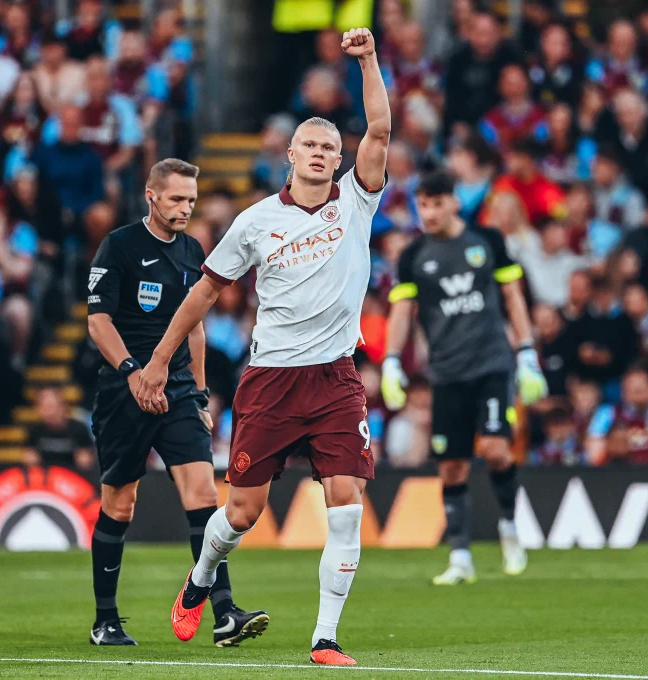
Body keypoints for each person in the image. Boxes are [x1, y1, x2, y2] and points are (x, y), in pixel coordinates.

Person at [137, 27, 390, 666]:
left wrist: (367, 61)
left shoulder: (358, 201)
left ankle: (325, 638)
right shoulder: (254, 221)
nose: (319, 152)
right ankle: (198, 582)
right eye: (308, 143)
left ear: (340, 159)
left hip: (335, 379)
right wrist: (162, 357)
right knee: (243, 513)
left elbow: (381, 131)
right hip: (272, 379)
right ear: (289, 154)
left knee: (346, 502)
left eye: (329, 146)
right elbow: (202, 296)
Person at [86, 158, 268, 647]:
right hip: (123, 390)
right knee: (120, 504)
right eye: (176, 199)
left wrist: (202, 394)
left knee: (203, 496)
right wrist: (132, 372)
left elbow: (197, 328)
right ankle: (105, 620)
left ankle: (225, 611)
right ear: (152, 196)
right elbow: (98, 322)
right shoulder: (119, 246)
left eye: (191, 199)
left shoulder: (192, 251)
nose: (186, 207)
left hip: (179, 390)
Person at [381, 170, 547, 585]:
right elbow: (402, 311)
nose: (429, 212)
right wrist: (391, 362)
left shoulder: (487, 242)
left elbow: (512, 296)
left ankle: (509, 527)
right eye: (423, 204)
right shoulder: (413, 255)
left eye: (437, 203)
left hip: (491, 364)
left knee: (494, 448)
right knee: (451, 466)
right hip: (446, 373)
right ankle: (460, 557)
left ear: (455, 202)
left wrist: (526, 352)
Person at [24, 386, 95, 470]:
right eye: (45, 407)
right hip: (45, 477)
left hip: (72, 476)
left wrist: (84, 460)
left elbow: (87, 460)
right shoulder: (35, 430)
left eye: (52, 406)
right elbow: (29, 456)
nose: (50, 412)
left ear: (63, 406)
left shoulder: (79, 429)